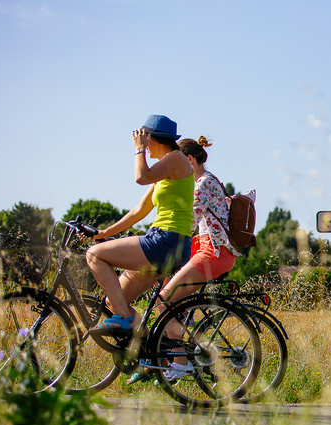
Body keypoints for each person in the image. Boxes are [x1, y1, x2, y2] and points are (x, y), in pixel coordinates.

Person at [127, 136, 249, 383]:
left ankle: (181, 363)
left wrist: (154, 243)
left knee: (165, 300)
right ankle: (172, 357)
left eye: (181, 162)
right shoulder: (210, 181)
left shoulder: (203, 185)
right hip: (209, 252)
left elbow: (186, 223)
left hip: (213, 254)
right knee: (170, 299)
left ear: (189, 159)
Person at [86, 115, 194, 333]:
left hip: (166, 240)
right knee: (116, 299)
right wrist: (103, 232)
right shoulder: (165, 172)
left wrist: (138, 150)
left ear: (153, 138)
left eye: (145, 138)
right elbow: (138, 212)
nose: (142, 142)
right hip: (166, 243)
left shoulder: (176, 159)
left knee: (94, 255)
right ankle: (150, 360)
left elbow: (140, 176)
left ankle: (122, 319)